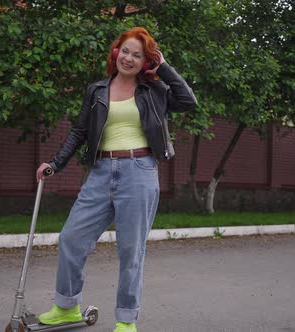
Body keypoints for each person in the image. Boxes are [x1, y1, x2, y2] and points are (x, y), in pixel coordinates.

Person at [35, 27, 197, 332]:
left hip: (139, 171)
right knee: (71, 237)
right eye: (126, 51)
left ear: (145, 61)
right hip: (100, 172)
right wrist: (55, 164)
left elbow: (188, 101)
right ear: (115, 52)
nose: (129, 58)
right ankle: (67, 307)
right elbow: (79, 131)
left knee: (130, 251)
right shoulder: (97, 90)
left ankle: (126, 322)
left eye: (138, 55)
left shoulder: (156, 91)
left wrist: (163, 68)